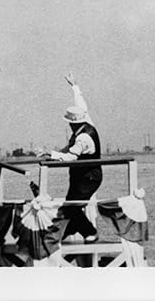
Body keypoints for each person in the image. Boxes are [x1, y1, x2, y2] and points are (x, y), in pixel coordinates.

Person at [43, 74, 102, 242]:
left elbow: (70, 157)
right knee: (71, 206)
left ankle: (88, 232)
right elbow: (81, 104)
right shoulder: (85, 122)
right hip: (80, 176)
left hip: (88, 178)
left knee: (72, 207)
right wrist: (74, 86)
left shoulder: (83, 138)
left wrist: (52, 155)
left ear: (72, 123)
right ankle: (68, 232)